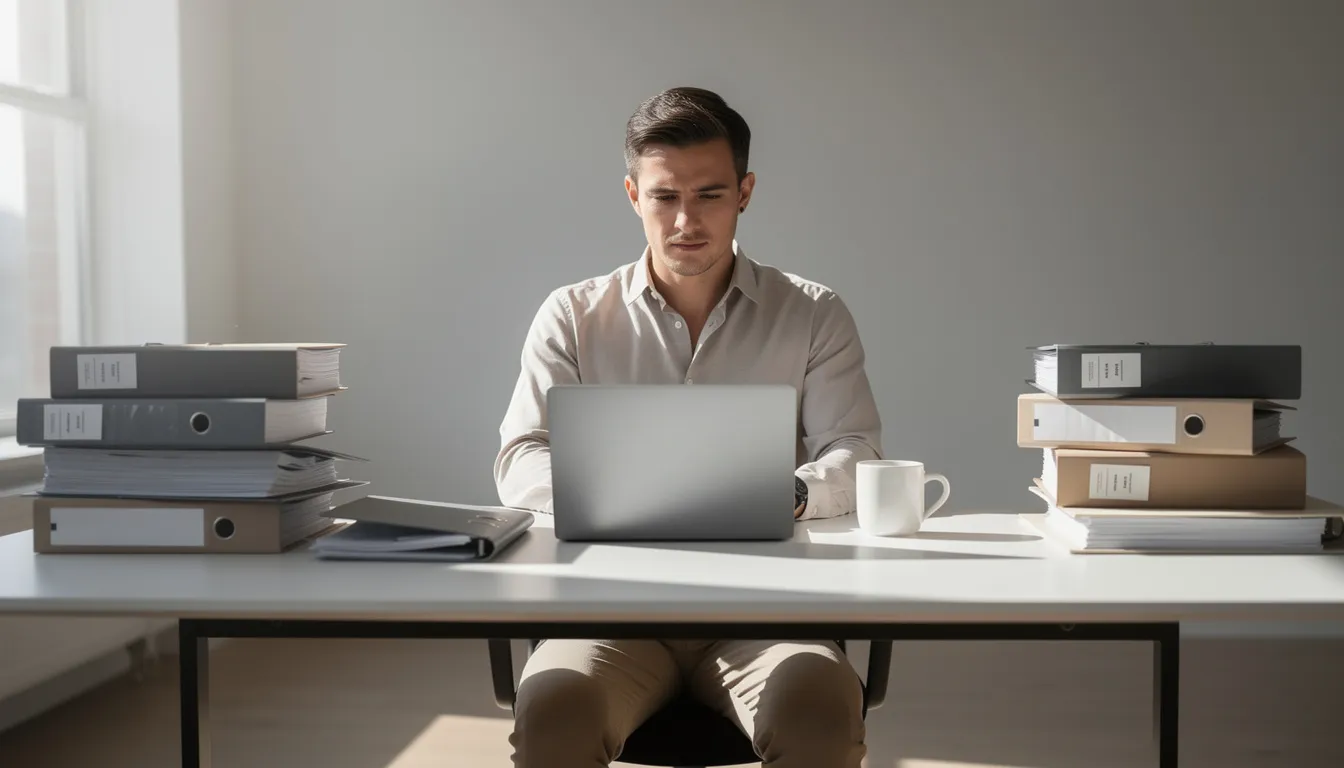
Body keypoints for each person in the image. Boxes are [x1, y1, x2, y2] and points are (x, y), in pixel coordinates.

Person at [494, 86, 883, 768]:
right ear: (632, 196)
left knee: (819, 706)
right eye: (664, 197)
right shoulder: (572, 315)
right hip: (607, 615)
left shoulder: (813, 313)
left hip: (766, 615)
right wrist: (616, 496)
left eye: (708, 194)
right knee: (554, 710)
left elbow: (853, 449)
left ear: (745, 192)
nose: (685, 221)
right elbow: (521, 458)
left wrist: (788, 492)